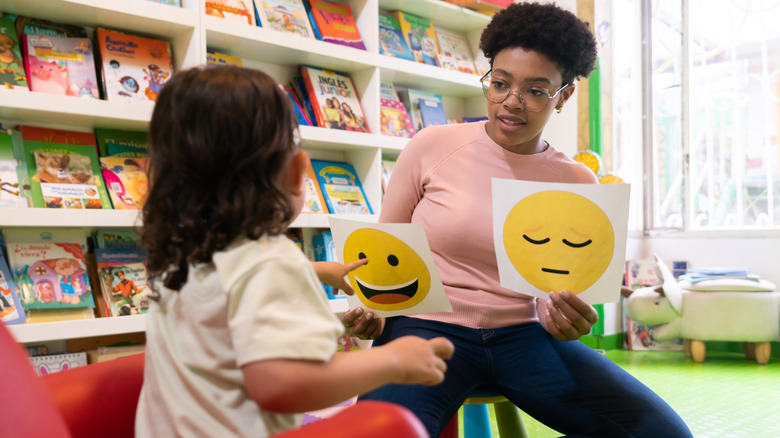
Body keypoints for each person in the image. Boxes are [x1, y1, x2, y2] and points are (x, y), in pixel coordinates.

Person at [343, 3, 693, 437]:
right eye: (501, 83)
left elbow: (561, 288)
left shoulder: (576, 180)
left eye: (535, 90)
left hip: (526, 337)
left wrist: (566, 318)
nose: (511, 102)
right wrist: (371, 309)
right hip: (426, 328)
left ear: (563, 96)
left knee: (662, 433)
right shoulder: (431, 146)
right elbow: (384, 255)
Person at [135, 65, 454, 437]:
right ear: (297, 170)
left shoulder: (182, 250)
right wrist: (394, 359)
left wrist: (317, 278)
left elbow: (223, 313)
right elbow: (282, 384)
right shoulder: (272, 263)